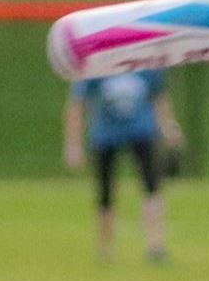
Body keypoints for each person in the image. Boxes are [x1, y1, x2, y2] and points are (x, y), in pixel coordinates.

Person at [63, 68, 181, 265]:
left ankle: (155, 246)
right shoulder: (97, 64)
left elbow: (159, 98)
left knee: (152, 187)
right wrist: (73, 144)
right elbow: (77, 105)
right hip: (105, 135)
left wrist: (169, 127)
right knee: (105, 193)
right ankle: (105, 249)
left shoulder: (145, 62)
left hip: (142, 132)